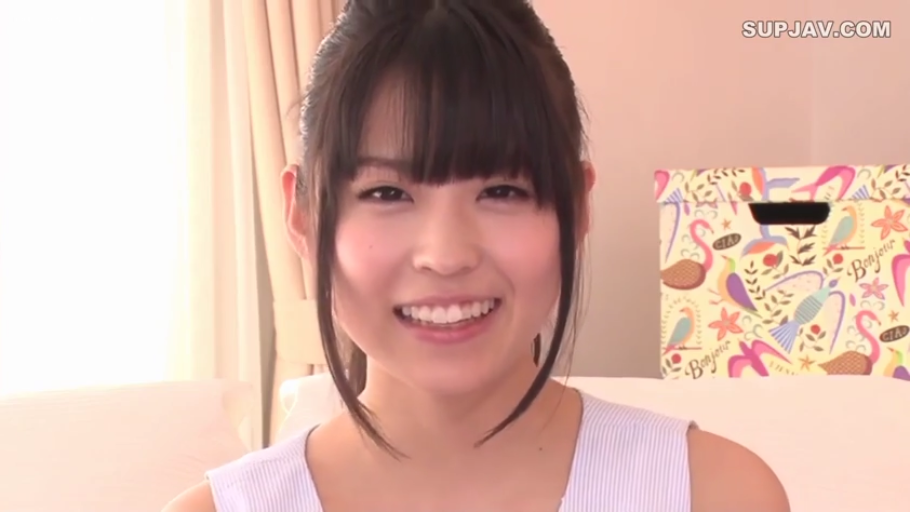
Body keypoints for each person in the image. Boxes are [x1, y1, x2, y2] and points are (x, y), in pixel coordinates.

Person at [164, 1, 789, 511]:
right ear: (303, 215)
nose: (446, 255)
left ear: (575, 207)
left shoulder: (714, 494)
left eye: (502, 191)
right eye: (387, 193)